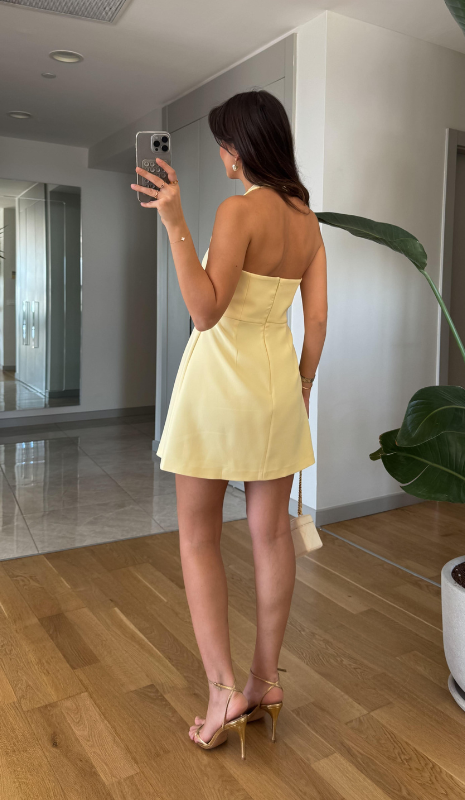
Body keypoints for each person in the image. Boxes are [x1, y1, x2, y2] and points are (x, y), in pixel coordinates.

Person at [130, 89, 327, 759]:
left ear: (239, 150)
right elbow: (317, 319)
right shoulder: (308, 222)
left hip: (218, 388)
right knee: (271, 537)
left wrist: (174, 222)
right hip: (277, 391)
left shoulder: (236, 210)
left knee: (198, 539)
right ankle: (263, 682)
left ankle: (221, 695)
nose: (221, 156)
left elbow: (206, 311)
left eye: (222, 144)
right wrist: (302, 385)